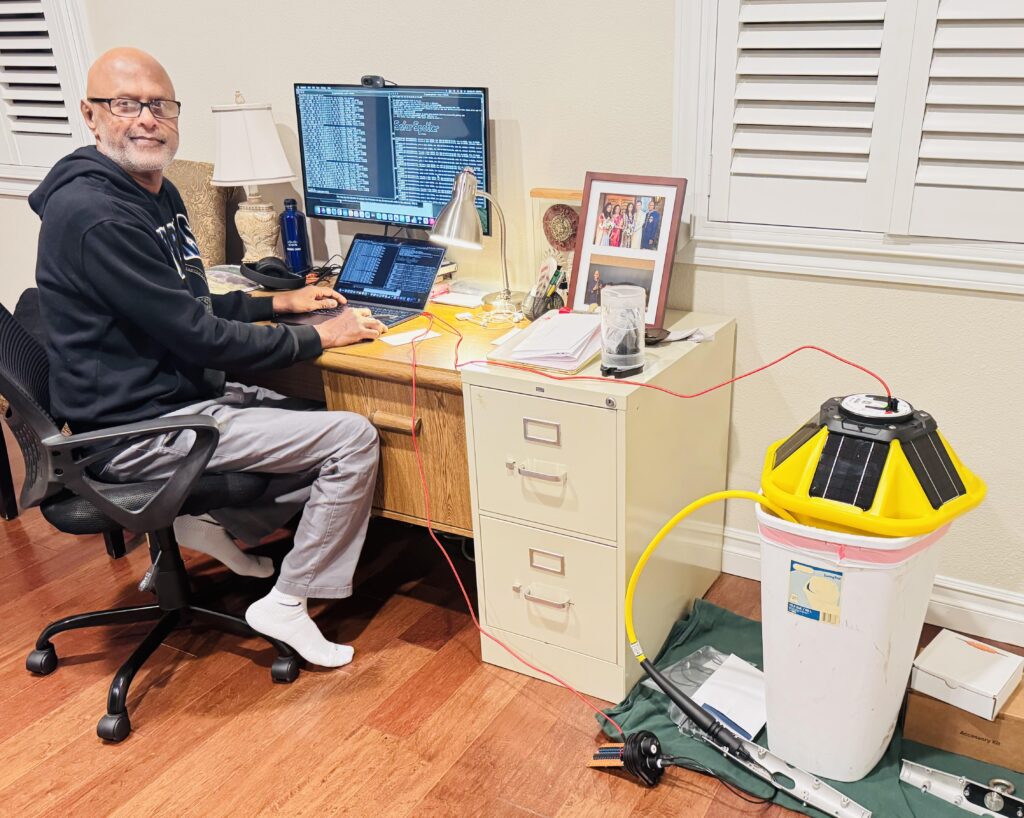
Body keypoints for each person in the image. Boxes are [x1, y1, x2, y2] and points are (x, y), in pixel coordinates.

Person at [29, 47, 389, 669]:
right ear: (91, 116)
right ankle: (287, 602)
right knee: (351, 438)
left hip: (168, 397)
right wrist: (320, 337)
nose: (147, 119)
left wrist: (279, 306)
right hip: (134, 431)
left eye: (160, 106)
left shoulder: (153, 191)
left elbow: (190, 302)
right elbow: (200, 337)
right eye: (125, 105)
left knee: (311, 408)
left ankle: (206, 526)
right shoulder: (95, 215)